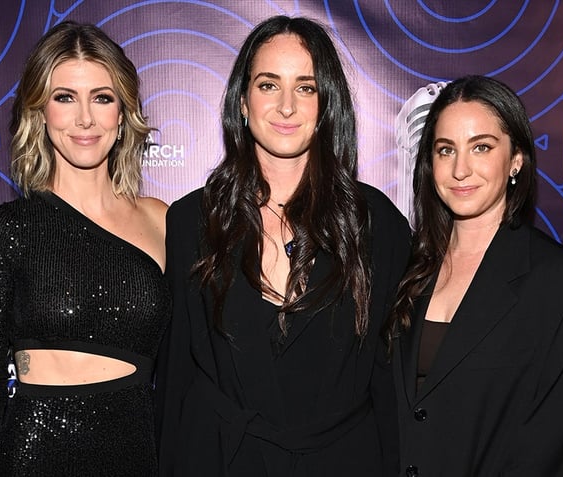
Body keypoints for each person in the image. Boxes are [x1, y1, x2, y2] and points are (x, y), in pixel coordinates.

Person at [157, 15, 409, 476]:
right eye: (269, 85)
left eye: (306, 88)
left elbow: (391, 381)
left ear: (327, 104)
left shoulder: (377, 225)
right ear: (243, 102)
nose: (287, 106)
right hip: (221, 461)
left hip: (343, 463)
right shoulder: (192, 221)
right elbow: (176, 375)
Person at [0, 21, 169, 476]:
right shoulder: (5, 230)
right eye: (65, 97)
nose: (84, 119)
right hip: (37, 455)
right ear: (40, 111)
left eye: (102, 97)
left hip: (139, 453)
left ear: (123, 112)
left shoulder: (163, 221)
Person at [387, 75, 563, 476]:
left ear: (516, 159)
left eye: (481, 147)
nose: (460, 169)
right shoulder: (401, 268)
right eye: (445, 150)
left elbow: (554, 451)